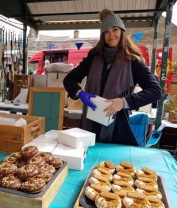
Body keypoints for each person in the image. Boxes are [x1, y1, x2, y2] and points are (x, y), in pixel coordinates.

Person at [63, 9, 162, 146]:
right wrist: (80, 93)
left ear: (122, 31)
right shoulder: (93, 58)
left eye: (115, 29)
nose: (111, 35)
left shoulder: (133, 61)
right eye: (106, 32)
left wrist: (123, 102)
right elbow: (69, 80)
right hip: (89, 127)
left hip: (117, 129)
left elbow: (155, 91)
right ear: (102, 35)